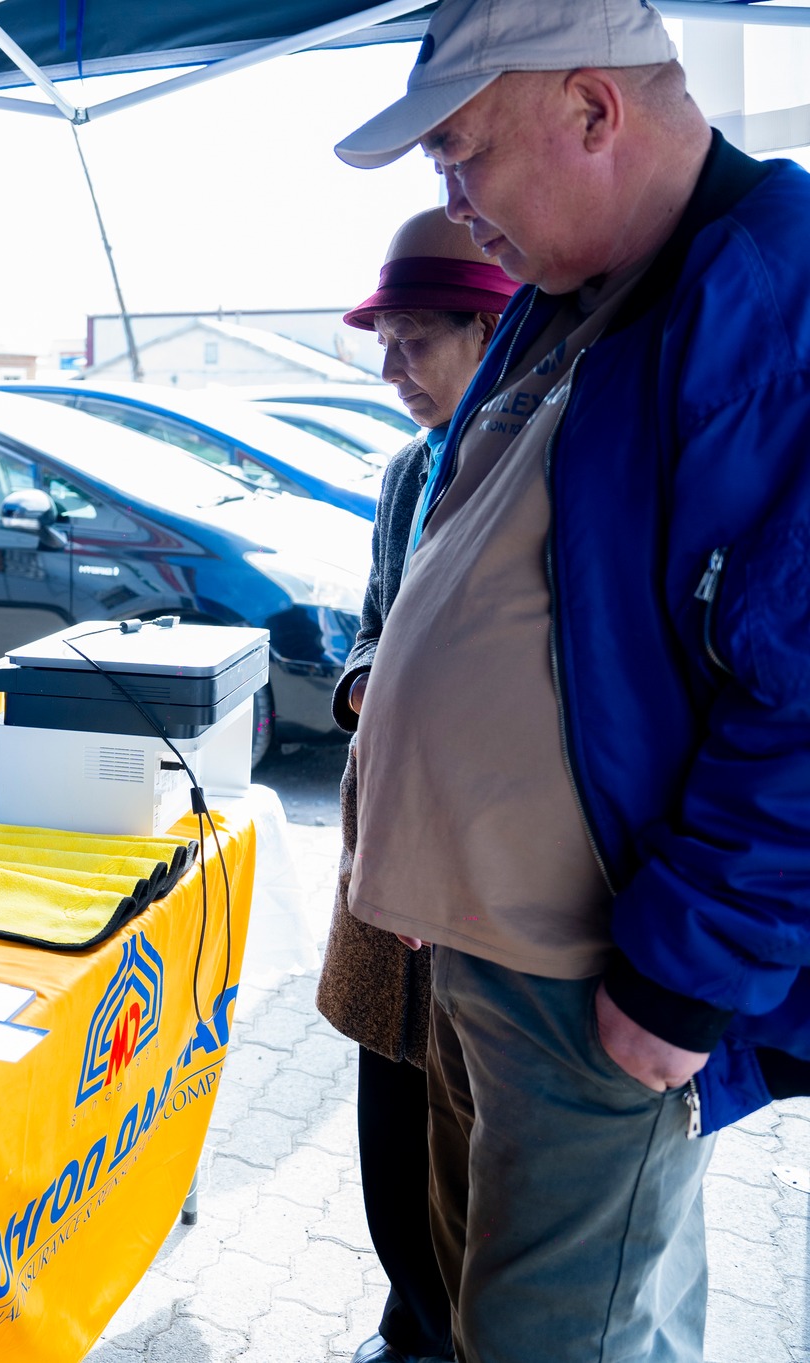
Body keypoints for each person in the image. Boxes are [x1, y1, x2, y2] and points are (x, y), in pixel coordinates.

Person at [334, 0, 810, 1358]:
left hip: (594, 975)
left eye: (462, 154)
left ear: (593, 110)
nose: (455, 202)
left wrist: (683, 973)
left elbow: (800, 688)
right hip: (490, 953)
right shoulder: (577, 294)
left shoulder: (767, 293)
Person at [316, 207, 517, 1363]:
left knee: (470, 1130)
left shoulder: (538, 459)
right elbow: (370, 625)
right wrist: (362, 682)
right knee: (386, 1108)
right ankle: (407, 1320)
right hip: (382, 850)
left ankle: (444, 1329)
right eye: (383, 345)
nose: (392, 369)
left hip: (478, 870)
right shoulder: (403, 472)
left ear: (489, 333)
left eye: (415, 342)